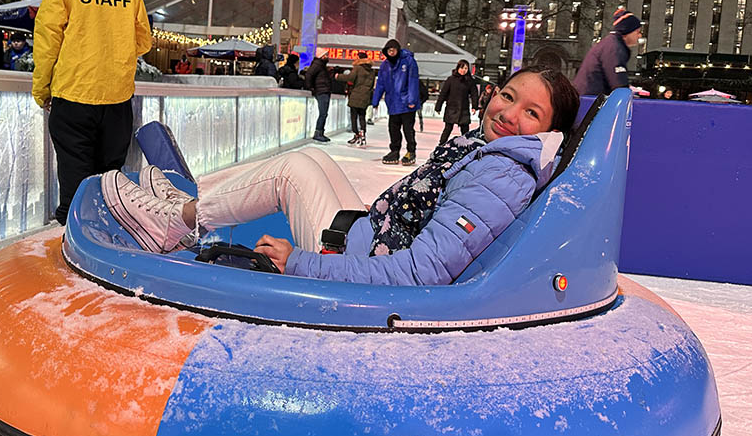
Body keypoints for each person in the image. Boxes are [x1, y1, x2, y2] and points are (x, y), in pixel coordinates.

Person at [99, 66, 578, 286]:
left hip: (365, 273)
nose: (508, 113)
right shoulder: (492, 154)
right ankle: (189, 210)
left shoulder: (501, 176)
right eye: (509, 96)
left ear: (549, 132)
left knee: (293, 169)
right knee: (313, 159)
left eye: (531, 112)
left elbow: (419, 274)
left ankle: (177, 219)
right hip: (377, 234)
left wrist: (305, 265)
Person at [32, 0, 151, 225]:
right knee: (109, 181)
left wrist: (42, 89)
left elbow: (47, 39)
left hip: (74, 95)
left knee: (75, 178)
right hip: (117, 101)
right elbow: (144, 43)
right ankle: (107, 243)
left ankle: (75, 244)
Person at [372, 39, 420, 166]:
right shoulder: (385, 65)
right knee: (393, 129)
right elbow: (380, 84)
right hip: (393, 103)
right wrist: (375, 100)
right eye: (389, 50)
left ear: (398, 50)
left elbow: (413, 81)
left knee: (408, 129)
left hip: (407, 103)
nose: (391, 52)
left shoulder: (408, 61)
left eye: (393, 50)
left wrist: (412, 100)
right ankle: (394, 151)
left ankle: (411, 151)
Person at [572, 7, 641, 96]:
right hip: (590, 100)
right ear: (627, 31)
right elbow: (618, 82)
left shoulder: (611, 43)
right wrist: (627, 96)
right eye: (637, 31)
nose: (639, 35)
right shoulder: (614, 47)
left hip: (587, 97)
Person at [334, 51, 375, 146]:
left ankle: (356, 134)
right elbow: (372, 85)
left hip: (356, 95)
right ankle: (363, 134)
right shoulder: (371, 71)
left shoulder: (358, 68)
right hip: (365, 95)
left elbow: (350, 78)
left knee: (353, 116)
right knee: (362, 116)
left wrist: (338, 76)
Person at [435, 60, 479, 144]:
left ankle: (466, 146)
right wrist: (438, 106)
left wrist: (474, 106)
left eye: (465, 68)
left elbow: (474, 94)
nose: (463, 70)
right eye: (461, 68)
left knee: (465, 130)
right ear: (458, 68)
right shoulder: (451, 79)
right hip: (452, 108)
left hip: (464, 109)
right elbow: (443, 93)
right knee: (448, 129)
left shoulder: (469, 81)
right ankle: (441, 145)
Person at [304, 50, 332, 142]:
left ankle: (320, 132)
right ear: (322, 56)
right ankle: (318, 132)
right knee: (323, 113)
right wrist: (310, 87)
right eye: (326, 55)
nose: (328, 56)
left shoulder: (321, 65)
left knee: (324, 113)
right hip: (321, 91)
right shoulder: (317, 64)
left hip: (324, 90)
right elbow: (309, 74)